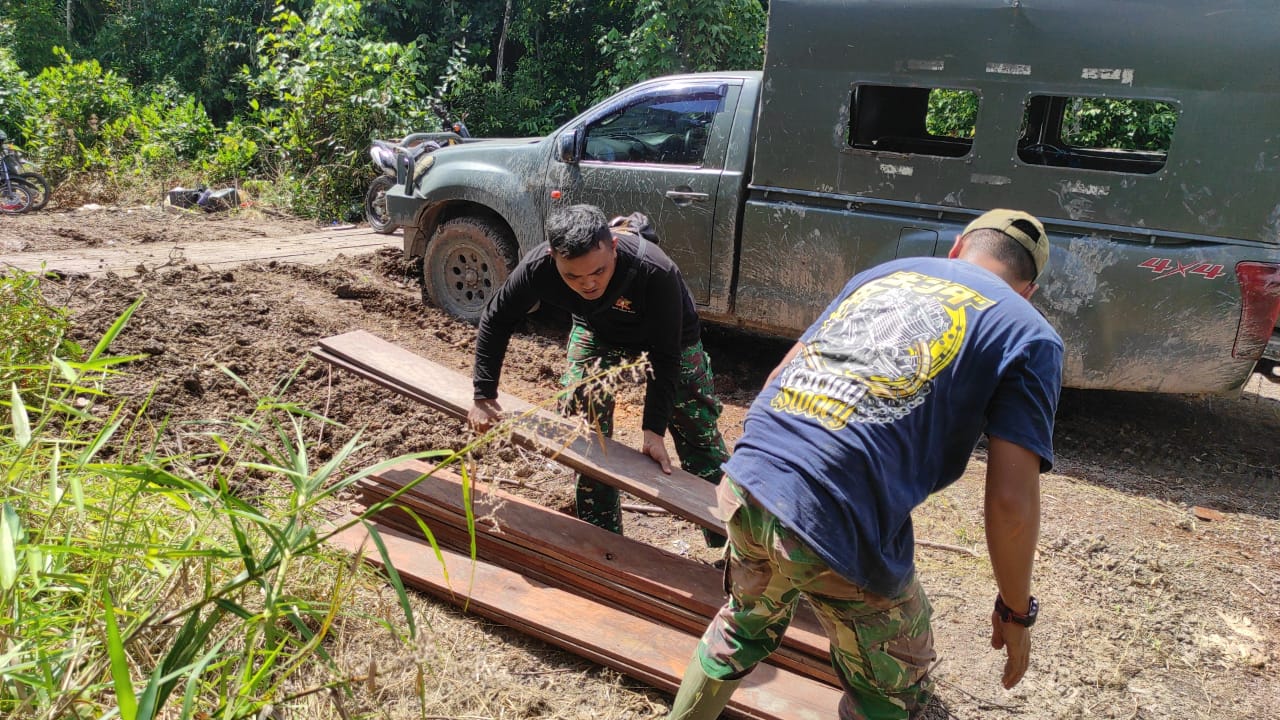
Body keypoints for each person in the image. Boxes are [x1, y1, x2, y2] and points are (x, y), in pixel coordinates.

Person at [666, 209, 1064, 719]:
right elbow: (1011, 501)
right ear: (1028, 289)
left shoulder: (883, 276)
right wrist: (1015, 610)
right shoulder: (1030, 333)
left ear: (958, 248)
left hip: (748, 480)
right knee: (892, 687)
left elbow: (775, 382)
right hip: (836, 518)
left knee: (742, 623)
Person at [468, 204, 730, 544]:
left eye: (598, 272)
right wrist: (484, 395)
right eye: (572, 276)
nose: (588, 283)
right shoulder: (538, 268)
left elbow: (666, 357)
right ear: (553, 258)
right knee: (584, 429)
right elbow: (496, 317)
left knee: (699, 435)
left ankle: (729, 545)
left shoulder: (655, 270)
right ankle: (603, 538)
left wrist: (653, 431)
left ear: (614, 248)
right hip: (598, 330)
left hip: (670, 339)